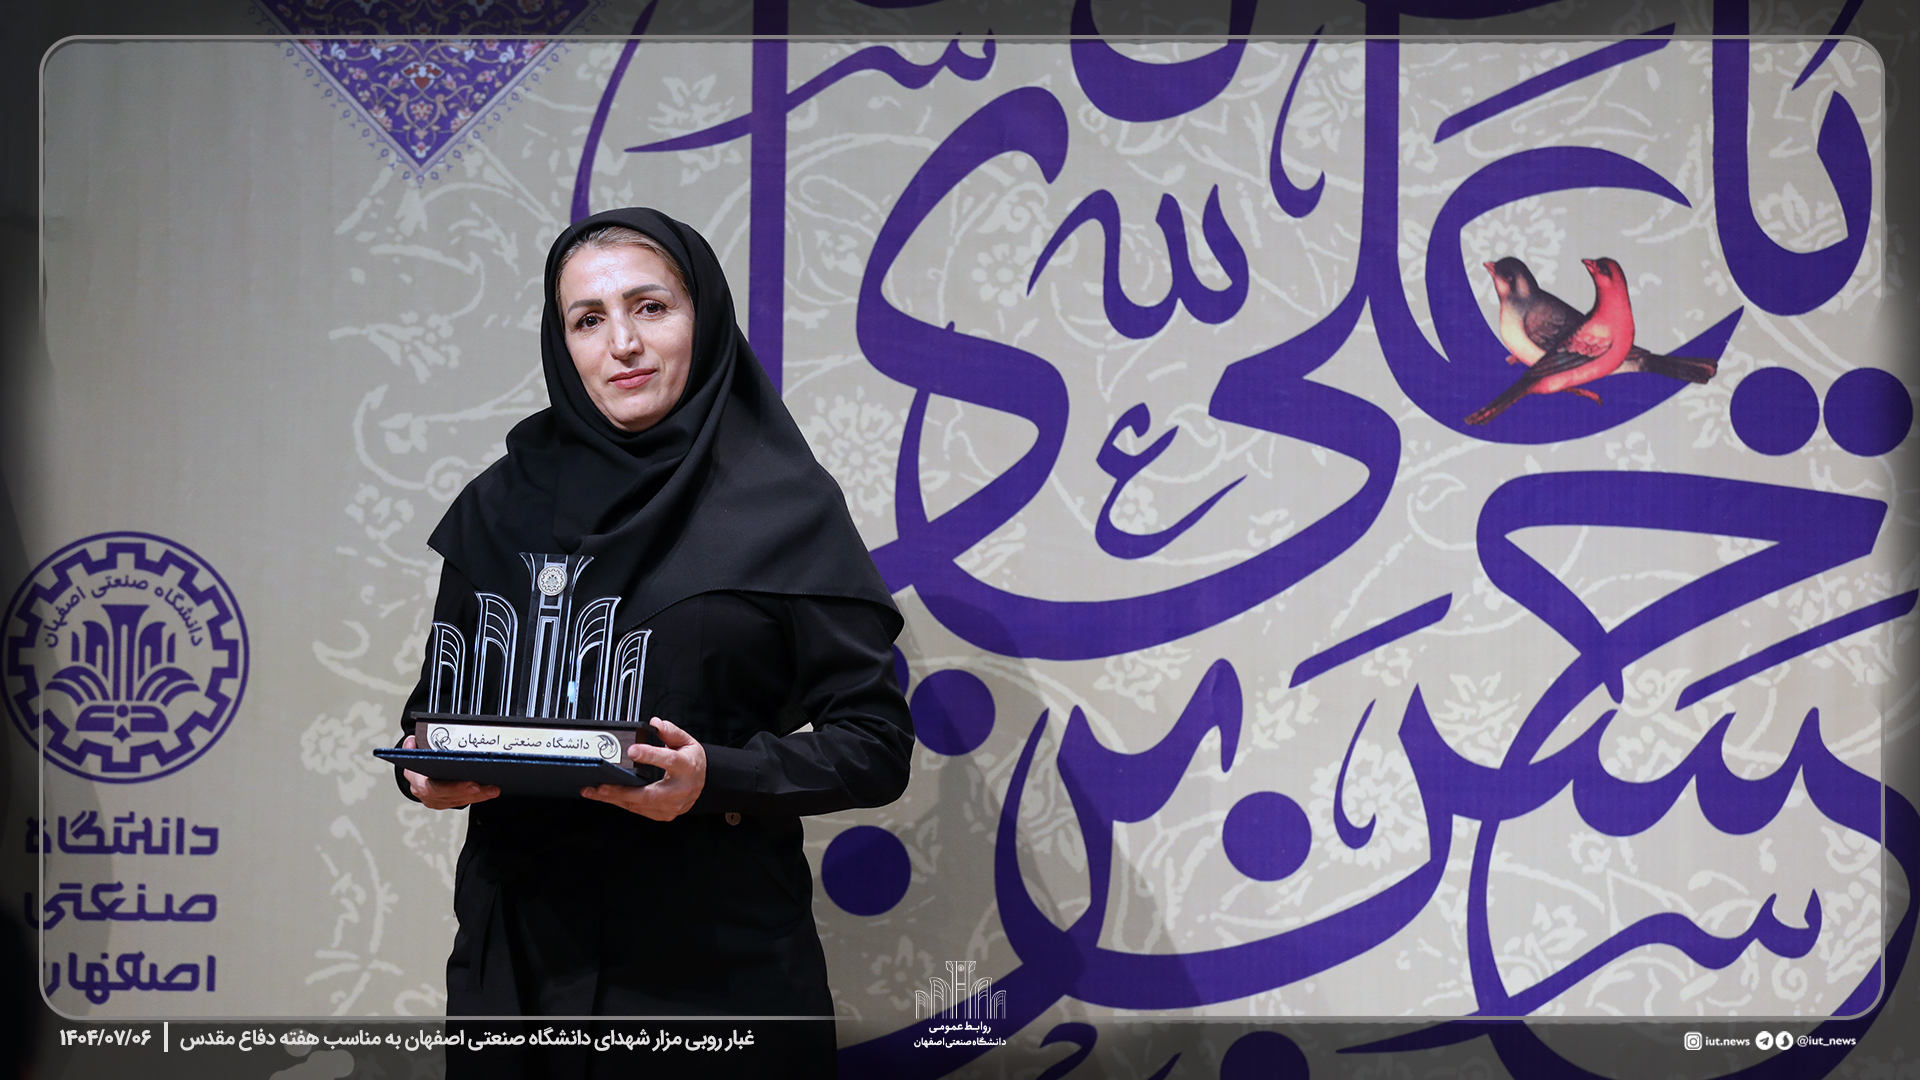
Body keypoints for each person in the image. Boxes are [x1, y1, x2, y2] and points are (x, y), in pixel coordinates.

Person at [392, 208, 913, 1046]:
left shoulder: (785, 509)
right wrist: (425, 770)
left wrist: (719, 778)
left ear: (703, 319)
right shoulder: (499, 505)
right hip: (519, 963)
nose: (623, 344)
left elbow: (875, 745)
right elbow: (433, 710)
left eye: (651, 308)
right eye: (588, 320)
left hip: (714, 971)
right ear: (562, 343)